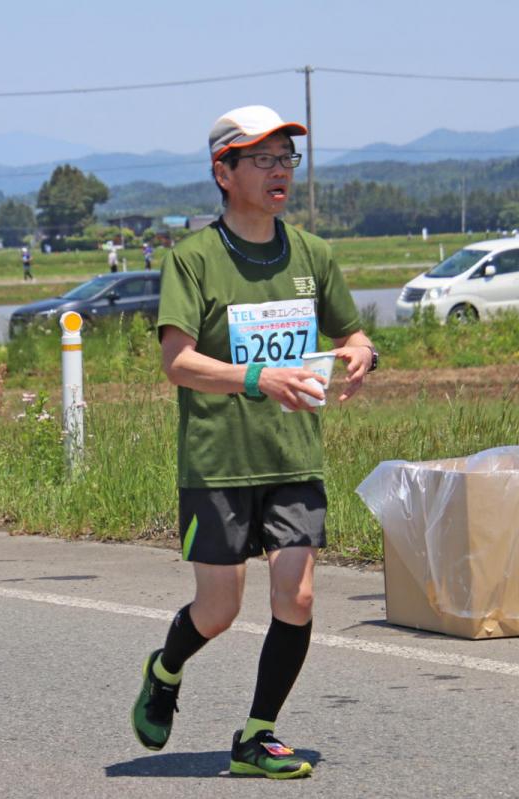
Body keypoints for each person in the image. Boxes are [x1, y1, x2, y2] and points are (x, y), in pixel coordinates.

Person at [131, 105, 377, 779]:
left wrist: (363, 353)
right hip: (218, 462)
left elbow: (353, 333)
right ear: (224, 171)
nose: (280, 172)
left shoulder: (312, 254)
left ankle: (258, 735)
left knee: (297, 597)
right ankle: (165, 668)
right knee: (219, 609)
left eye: (286, 158)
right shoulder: (193, 260)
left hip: (294, 457)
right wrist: (257, 378)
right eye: (263, 159)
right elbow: (178, 362)